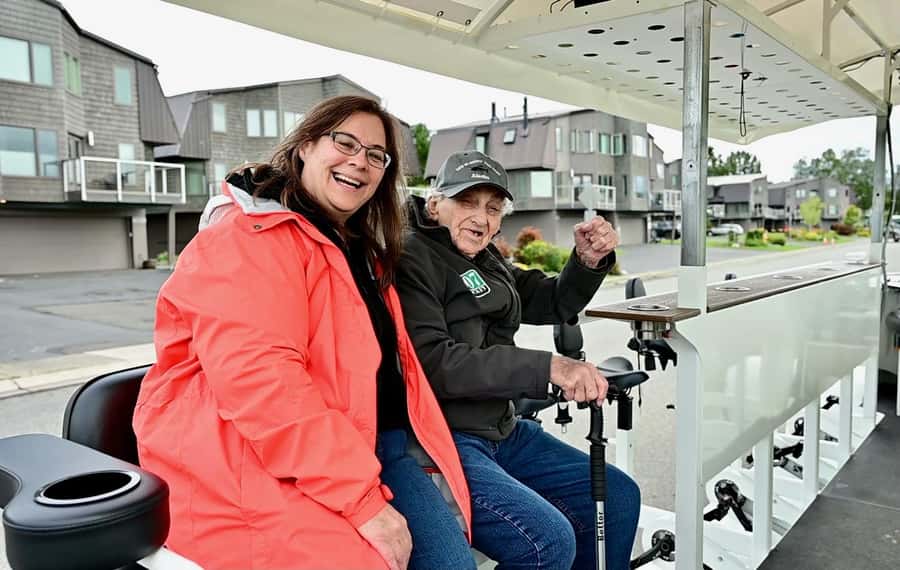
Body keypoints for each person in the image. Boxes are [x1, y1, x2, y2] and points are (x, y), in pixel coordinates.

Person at [133, 96, 474, 570]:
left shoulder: (354, 251)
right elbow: (264, 384)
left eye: (377, 155)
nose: (361, 161)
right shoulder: (248, 238)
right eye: (346, 142)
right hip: (233, 458)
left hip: (337, 449)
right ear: (306, 146)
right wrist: (362, 502)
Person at [396, 150, 642, 570]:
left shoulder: (485, 259)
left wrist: (587, 261)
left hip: (502, 430)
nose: (481, 217)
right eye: (468, 201)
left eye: (493, 208)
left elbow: (550, 300)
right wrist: (549, 367)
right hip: (445, 438)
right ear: (436, 204)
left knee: (618, 496)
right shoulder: (411, 257)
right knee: (545, 542)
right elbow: (435, 363)